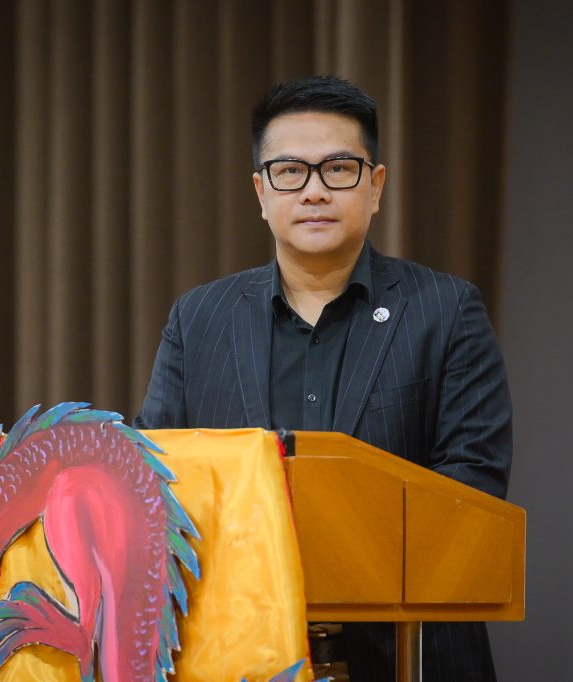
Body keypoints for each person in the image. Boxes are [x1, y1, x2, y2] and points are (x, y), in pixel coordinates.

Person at [135, 75, 512, 682]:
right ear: (260, 191)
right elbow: (154, 475)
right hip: (238, 650)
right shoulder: (199, 319)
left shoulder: (445, 310)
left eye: (338, 169)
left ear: (376, 186)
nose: (314, 191)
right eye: (290, 171)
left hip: (406, 651)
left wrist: (336, 551)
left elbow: (473, 484)